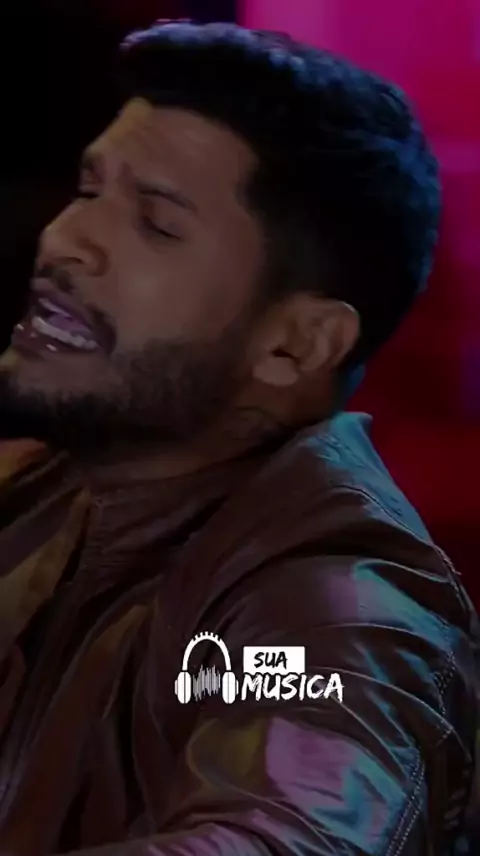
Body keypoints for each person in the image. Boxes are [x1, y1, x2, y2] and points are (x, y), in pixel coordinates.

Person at [0, 21, 477, 856]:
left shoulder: (327, 606)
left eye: (156, 224)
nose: (64, 240)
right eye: (87, 190)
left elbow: (294, 837)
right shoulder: (34, 492)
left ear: (296, 344)